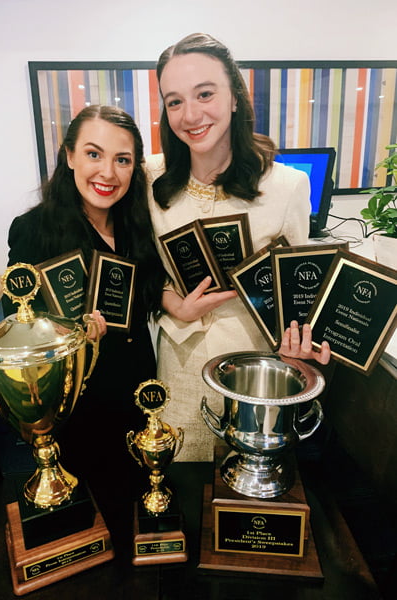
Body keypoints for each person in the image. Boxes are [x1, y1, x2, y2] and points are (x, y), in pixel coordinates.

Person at [146, 33, 331, 461]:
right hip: (179, 367)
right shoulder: (149, 178)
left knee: (246, 500)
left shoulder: (287, 186)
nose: (190, 114)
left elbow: (299, 294)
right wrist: (169, 301)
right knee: (181, 485)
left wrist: (301, 338)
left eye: (205, 93)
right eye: (174, 101)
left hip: (254, 373)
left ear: (234, 96)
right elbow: (135, 263)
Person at [3, 105, 168, 531]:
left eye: (123, 159)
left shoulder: (136, 224)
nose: (108, 172)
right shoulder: (33, 230)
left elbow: (146, 301)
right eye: (94, 154)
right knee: (95, 526)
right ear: (69, 156)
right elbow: (18, 334)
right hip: (80, 409)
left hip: (138, 393)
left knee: (141, 510)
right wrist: (70, 336)